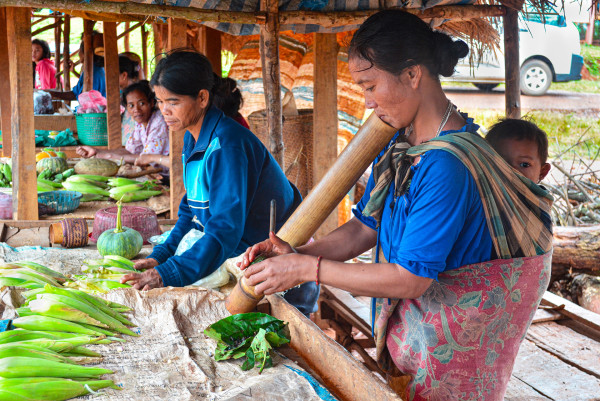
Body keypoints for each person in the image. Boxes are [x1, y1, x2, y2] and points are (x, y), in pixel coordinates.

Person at [238, 10, 553, 400]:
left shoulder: (447, 166)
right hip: (414, 348)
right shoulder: (402, 146)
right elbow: (363, 228)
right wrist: (297, 253)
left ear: (412, 75)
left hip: (446, 366)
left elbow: (411, 279)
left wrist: (307, 268)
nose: (367, 102)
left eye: (370, 86)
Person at [120, 51, 319, 316]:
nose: (164, 110)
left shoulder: (227, 145)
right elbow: (191, 210)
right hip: (241, 261)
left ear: (202, 98)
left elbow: (224, 229)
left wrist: (166, 274)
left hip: (279, 271)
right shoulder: (194, 137)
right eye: (160, 101)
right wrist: (162, 255)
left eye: (173, 101)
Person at [76, 80, 169, 168]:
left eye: (141, 103)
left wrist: (106, 156)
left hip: (167, 178)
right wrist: (96, 151)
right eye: (131, 105)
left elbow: (147, 158)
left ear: (151, 103)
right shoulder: (141, 124)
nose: (136, 110)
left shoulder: (159, 122)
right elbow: (129, 151)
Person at [486, 118, 551, 183]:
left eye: (524, 164)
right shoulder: (480, 191)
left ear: (542, 172)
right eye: (502, 162)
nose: (512, 171)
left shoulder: (539, 193)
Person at [49, 31, 106, 101]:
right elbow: (77, 92)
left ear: (84, 53)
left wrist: (52, 94)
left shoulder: (93, 71)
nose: (78, 53)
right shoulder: (96, 69)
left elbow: (78, 95)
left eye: (80, 50)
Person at [118, 54, 143, 145]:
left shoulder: (136, 93)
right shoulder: (122, 92)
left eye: (113, 75)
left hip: (137, 142)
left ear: (124, 75)